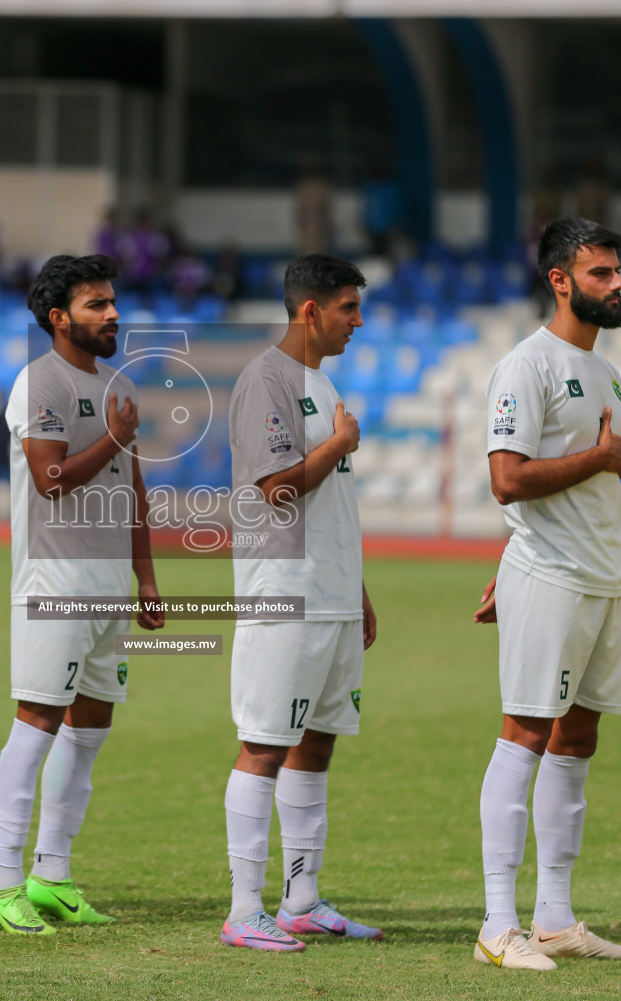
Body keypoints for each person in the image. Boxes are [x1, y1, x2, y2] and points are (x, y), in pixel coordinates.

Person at [471, 217, 621, 971]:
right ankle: (496, 925)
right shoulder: (527, 366)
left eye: (617, 272)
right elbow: (507, 478)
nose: (617, 284)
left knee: (578, 741)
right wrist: (598, 457)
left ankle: (556, 919)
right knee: (526, 735)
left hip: (604, 577)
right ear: (561, 280)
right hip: (554, 576)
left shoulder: (606, 371)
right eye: (601, 273)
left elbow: (577, 487)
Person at [0, 253, 165, 935]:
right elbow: (50, 478)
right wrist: (115, 435)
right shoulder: (40, 383)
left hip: (108, 590)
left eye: (113, 301)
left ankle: (53, 876)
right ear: (60, 318)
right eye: (97, 304)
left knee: (89, 734)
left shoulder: (115, 382)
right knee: (35, 727)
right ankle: (5, 885)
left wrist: (146, 578)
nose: (113, 312)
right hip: (55, 584)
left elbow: (133, 488)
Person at [219, 253, 381, 952]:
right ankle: (242, 908)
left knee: (316, 747)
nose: (358, 319)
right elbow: (276, 488)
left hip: (332, 594)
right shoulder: (266, 380)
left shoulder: (320, 379)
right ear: (310, 310)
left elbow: (333, 501)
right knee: (263, 745)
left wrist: (359, 591)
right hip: (283, 591)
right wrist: (342, 441)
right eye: (348, 306)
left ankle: (302, 899)